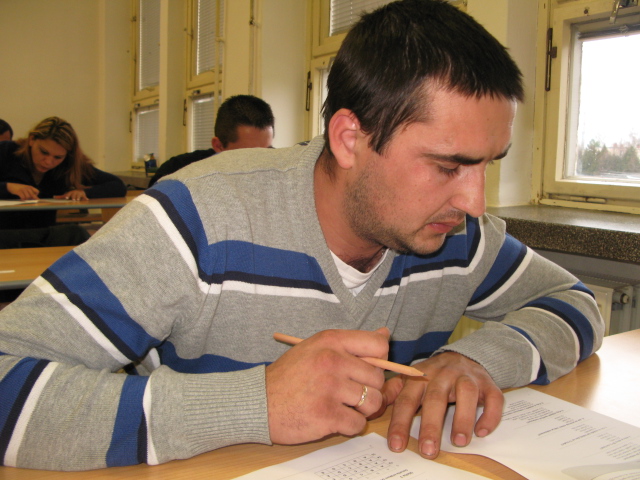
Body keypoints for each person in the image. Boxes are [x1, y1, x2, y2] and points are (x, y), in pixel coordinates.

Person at [0, 0, 603, 471]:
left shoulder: (456, 236)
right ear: (349, 139)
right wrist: (256, 403)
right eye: (448, 166)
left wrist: (473, 360)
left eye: (488, 164)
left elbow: (574, 302)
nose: (475, 203)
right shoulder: (197, 219)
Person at [0, 116, 127, 230]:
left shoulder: (69, 164)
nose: (48, 162)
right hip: (4, 234)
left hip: (42, 235)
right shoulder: (6, 151)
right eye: (44, 152)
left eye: (58, 157)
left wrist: (84, 193)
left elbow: (117, 185)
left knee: (77, 233)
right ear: (32, 139)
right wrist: (7, 187)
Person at [147, 94, 275, 187]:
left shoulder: (279, 169)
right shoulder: (175, 173)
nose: (258, 163)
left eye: (266, 151)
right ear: (218, 146)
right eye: (246, 154)